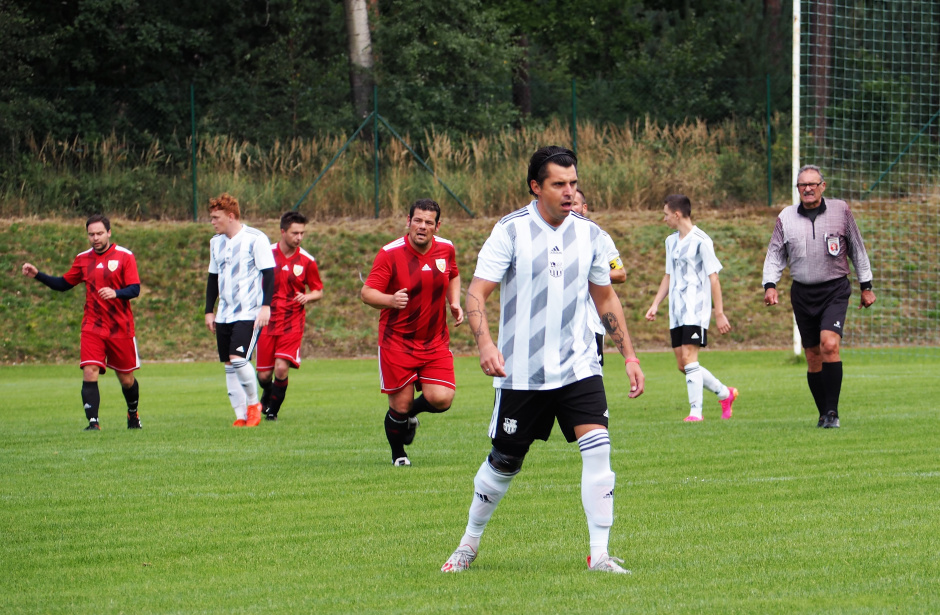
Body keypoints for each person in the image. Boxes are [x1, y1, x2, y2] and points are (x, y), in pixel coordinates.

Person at [441, 146, 645, 575]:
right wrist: (485, 345)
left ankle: (600, 554)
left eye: (573, 183)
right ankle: (468, 543)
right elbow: (476, 292)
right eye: (559, 184)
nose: (569, 192)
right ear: (536, 187)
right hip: (522, 372)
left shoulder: (591, 235)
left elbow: (605, 297)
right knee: (504, 462)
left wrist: (629, 355)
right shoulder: (511, 231)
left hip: (579, 366)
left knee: (599, 450)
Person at [763, 165, 875, 429]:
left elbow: (857, 249)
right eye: (802, 185)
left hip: (834, 289)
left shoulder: (841, 211)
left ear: (823, 186)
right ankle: (824, 413)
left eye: (812, 184)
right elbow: (775, 254)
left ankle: (833, 412)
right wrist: (770, 285)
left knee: (829, 345)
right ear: (798, 189)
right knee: (813, 355)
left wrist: (866, 285)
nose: (808, 189)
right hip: (802, 292)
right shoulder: (786, 217)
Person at [360, 199, 464, 466]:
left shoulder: (446, 248)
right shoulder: (389, 254)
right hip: (397, 342)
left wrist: (454, 302)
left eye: (429, 222)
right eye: (417, 220)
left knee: (441, 399)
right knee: (400, 405)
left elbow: (453, 274)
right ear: (408, 222)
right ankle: (399, 455)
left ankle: (409, 415)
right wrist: (390, 300)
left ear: (437, 226)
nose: (422, 226)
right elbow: (367, 293)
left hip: (434, 341)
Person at [21, 214, 142, 431]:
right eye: (91, 234)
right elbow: (63, 284)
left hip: (120, 327)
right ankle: (93, 423)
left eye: (99, 233)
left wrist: (116, 293)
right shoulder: (83, 259)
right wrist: (38, 275)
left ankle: (133, 414)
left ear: (109, 233)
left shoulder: (125, 256)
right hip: (92, 326)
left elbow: (135, 289)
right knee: (89, 370)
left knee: (126, 380)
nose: (95, 238)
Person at [645, 194, 738, 421]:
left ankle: (696, 412)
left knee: (689, 357)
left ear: (677, 215)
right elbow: (668, 275)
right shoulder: (670, 241)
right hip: (676, 311)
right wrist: (655, 304)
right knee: (683, 364)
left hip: (696, 309)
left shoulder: (702, 241)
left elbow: (714, 278)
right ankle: (725, 393)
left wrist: (719, 313)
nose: (664, 219)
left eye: (666, 214)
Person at [204, 193, 276, 427]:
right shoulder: (216, 242)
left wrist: (265, 307)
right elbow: (213, 278)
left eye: (216, 217)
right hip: (224, 314)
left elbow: (269, 274)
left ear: (231, 216)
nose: (212, 222)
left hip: (249, 313)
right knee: (229, 364)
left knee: (238, 359)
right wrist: (209, 310)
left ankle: (254, 405)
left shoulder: (256, 239)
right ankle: (240, 416)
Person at [256, 211, 323, 421]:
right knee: (264, 375)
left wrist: (308, 297)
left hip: (292, 322)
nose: (299, 237)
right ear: (283, 232)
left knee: (281, 368)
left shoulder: (307, 260)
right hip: (266, 320)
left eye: (302, 233)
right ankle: (268, 392)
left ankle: (272, 413)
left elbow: (318, 290)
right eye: (295, 233)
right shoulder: (266, 254)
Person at [572, 188, 626, 365]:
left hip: (591, 322)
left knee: (591, 375)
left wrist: (588, 273)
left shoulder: (600, 237)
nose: (570, 208)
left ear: (584, 208)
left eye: (574, 204)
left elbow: (620, 273)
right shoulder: (550, 238)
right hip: (559, 324)